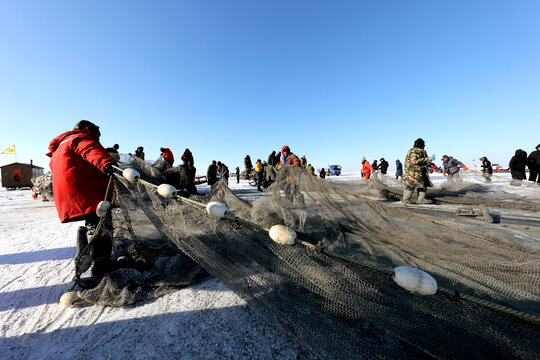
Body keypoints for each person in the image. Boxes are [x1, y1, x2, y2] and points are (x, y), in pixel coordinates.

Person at [47, 120, 117, 287]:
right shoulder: (79, 138)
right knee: (102, 223)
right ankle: (101, 269)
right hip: (85, 189)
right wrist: (108, 164)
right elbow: (91, 151)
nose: (98, 138)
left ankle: (84, 242)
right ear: (88, 130)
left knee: (93, 220)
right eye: (97, 135)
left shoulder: (60, 145)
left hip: (70, 193)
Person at [402, 138, 433, 204]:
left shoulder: (417, 151)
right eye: (424, 144)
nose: (425, 146)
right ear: (421, 144)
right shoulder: (415, 151)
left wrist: (428, 161)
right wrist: (428, 159)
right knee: (411, 185)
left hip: (418, 171)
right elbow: (414, 161)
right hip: (414, 172)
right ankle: (406, 200)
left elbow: (422, 161)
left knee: (422, 185)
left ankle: (421, 199)